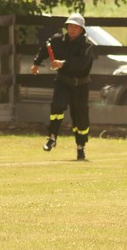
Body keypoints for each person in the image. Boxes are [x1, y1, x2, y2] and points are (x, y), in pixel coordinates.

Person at [31, 13, 95, 161]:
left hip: (80, 85)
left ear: (81, 29)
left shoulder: (87, 46)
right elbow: (45, 48)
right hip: (63, 81)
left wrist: (63, 63)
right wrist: (36, 63)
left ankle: (81, 147)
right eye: (70, 26)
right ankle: (52, 137)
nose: (72, 29)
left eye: (75, 27)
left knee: (80, 118)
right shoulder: (57, 40)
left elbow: (82, 64)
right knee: (57, 106)